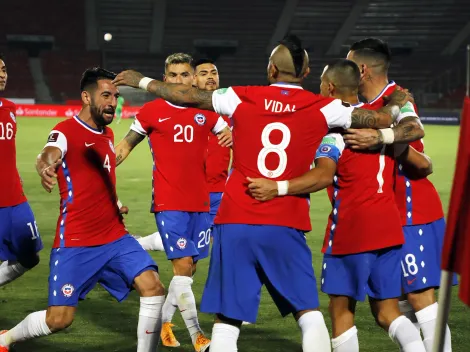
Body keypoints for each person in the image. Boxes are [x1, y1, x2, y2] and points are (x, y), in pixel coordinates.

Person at [112, 34, 411, 352]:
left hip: (236, 218)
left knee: (227, 320)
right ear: (307, 73)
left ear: (271, 70)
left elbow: (185, 95)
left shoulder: (240, 97)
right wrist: (396, 103)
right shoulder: (324, 107)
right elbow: (377, 119)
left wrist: (141, 81)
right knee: (308, 313)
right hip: (286, 219)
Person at [246, 59, 428, 352]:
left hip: (352, 228)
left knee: (341, 311)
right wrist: (398, 105)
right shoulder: (378, 122)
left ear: (329, 87)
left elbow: (320, 173)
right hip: (389, 227)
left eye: (320, 83)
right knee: (387, 313)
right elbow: (422, 160)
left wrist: (278, 187)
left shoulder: (334, 126)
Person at [0, 67, 166, 352]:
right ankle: (6, 339)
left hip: (114, 236)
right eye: (105, 95)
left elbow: (102, 179)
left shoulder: (107, 135)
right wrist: (45, 166)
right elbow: (48, 153)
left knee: (153, 288)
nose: (112, 101)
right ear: (86, 97)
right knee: (59, 319)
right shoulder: (65, 130)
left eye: (115, 95)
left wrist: (114, 203)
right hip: (76, 243)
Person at [114, 53, 232, 352]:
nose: (179, 81)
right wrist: (103, 172)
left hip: (202, 203)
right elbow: (125, 146)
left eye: (184, 75)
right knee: (181, 267)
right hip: (169, 202)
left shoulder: (207, 111)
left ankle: (164, 324)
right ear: (164, 79)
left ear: (193, 79)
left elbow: (229, 135)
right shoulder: (151, 111)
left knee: (189, 269)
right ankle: (197, 337)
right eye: (174, 75)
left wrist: (234, 137)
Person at [343, 38, 454, 352]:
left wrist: (380, 136)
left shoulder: (397, 97)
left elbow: (414, 130)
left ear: (362, 69)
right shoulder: (357, 105)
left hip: (409, 209)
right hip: (380, 216)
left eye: (349, 64)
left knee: (420, 297)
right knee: (383, 310)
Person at [0, 53, 43, 287]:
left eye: (4, 69)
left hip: (15, 199)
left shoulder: (10, 109)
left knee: (29, 257)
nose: (1, 74)